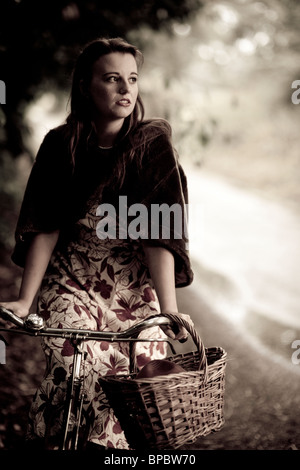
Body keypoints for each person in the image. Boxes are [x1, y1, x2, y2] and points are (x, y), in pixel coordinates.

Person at [0, 37, 194, 450]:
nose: (126, 89)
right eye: (112, 79)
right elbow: (44, 226)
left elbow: (160, 235)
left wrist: (168, 311)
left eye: (132, 79)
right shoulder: (60, 145)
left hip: (132, 290)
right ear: (87, 85)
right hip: (71, 282)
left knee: (138, 390)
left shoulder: (150, 146)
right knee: (79, 372)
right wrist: (23, 301)